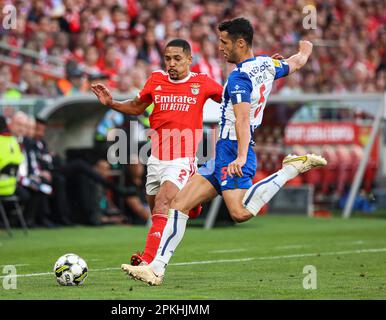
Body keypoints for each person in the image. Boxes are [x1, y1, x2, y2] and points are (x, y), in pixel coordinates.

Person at [121, 17, 327, 286]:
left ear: (241, 43)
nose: (220, 48)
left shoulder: (239, 78)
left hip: (233, 149)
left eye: (224, 42)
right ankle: (156, 269)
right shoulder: (267, 64)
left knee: (239, 214)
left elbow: (242, 120)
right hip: (222, 151)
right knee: (179, 205)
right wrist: (305, 50)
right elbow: (295, 63)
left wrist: (241, 157)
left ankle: (291, 168)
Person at [92, 39, 223, 266]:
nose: (171, 63)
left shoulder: (202, 83)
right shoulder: (156, 80)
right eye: (168, 58)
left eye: (177, 59)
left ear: (189, 60)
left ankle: (147, 261)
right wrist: (111, 102)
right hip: (156, 158)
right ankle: (192, 205)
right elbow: (136, 106)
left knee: (163, 203)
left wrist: (265, 73)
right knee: (157, 213)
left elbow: (234, 99)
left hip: (182, 158)